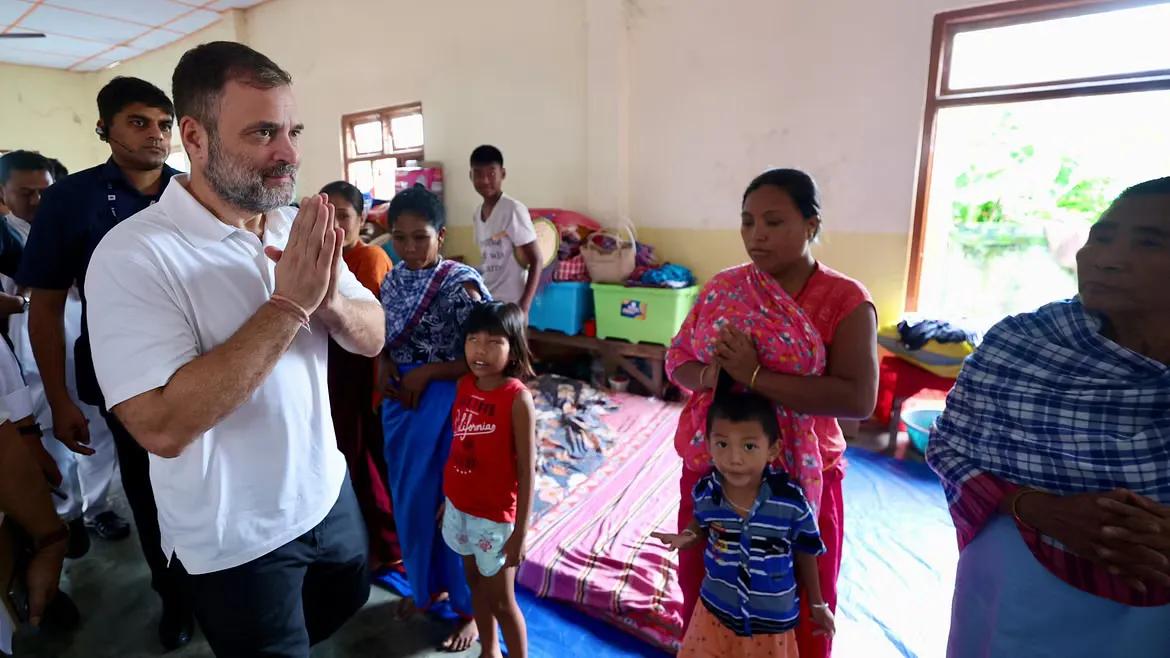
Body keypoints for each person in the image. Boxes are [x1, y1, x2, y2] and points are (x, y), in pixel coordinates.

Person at [84, 41, 384, 657]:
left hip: (327, 492)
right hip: (238, 540)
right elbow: (162, 426)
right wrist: (288, 306)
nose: (290, 154)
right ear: (194, 138)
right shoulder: (133, 255)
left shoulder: (291, 221)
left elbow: (374, 331)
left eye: (293, 130)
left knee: (345, 600)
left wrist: (328, 302)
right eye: (263, 132)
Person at [927, 177, 1170, 658]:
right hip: (1016, 587)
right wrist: (1037, 508)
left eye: (1149, 242)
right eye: (1101, 236)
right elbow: (948, 446)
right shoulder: (1023, 345)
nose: (1106, 257)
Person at [666, 168, 877, 656]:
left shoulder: (845, 300)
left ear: (810, 224)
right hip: (715, 467)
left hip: (798, 476)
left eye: (774, 221)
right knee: (702, 587)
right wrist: (712, 376)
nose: (756, 234)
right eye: (747, 221)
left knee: (801, 601)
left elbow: (857, 400)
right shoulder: (724, 289)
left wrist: (755, 375)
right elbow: (678, 359)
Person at [16, 77, 191, 650]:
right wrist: (60, 399)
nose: (157, 136)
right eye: (139, 122)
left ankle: (218, 584)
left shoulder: (192, 191)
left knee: (204, 484)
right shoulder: (73, 199)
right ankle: (174, 598)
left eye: (164, 124)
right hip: (125, 375)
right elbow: (43, 307)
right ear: (105, 129)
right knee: (147, 491)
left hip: (200, 363)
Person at [1, 151, 129, 561]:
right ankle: (64, 514)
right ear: (3, 193)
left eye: (45, 192)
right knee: (46, 437)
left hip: (86, 344)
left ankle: (97, 507)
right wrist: (25, 300)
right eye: (25, 193)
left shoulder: (75, 228)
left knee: (96, 430)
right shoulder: (4, 239)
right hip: (25, 362)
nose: (37, 201)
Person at [652, 372, 835, 657]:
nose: (734, 458)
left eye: (749, 446)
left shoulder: (789, 501)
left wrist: (817, 604)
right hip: (713, 614)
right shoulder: (708, 492)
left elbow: (806, 551)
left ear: (772, 449)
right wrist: (684, 538)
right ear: (709, 447)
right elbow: (699, 525)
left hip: (771, 626)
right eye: (722, 444)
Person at [380, 184, 490, 651]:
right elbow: (379, 334)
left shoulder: (459, 285)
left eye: (420, 237)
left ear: (441, 235)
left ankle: (473, 611)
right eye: (399, 238)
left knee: (457, 507)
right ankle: (427, 589)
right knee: (411, 502)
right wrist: (383, 360)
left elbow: (485, 357)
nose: (409, 249)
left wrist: (429, 372)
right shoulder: (393, 280)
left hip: (448, 405)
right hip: (402, 405)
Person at [441, 301, 536, 658]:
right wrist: (447, 499)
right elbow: (458, 446)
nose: (480, 350)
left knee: (502, 600)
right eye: (473, 339)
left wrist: (520, 534)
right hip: (459, 508)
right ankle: (489, 650)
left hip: (495, 519)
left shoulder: (517, 399)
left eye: (494, 341)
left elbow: (527, 471)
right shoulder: (465, 385)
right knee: (475, 586)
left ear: (513, 347)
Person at [319, 180, 400, 573]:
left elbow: (381, 326)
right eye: (327, 214)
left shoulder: (369, 259)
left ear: (363, 218)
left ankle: (387, 544)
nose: (335, 224)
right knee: (345, 457)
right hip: (328, 371)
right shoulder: (317, 257)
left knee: (366, 459)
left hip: (361, 372)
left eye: (345, 216)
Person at [469, 145, 542, 313]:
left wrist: (524, 305)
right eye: (479, 174)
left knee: (512, 340)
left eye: (491, 173)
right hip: (488, 298)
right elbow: (488, 260)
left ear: (503, 174)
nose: (485, 180)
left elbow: (536, 259)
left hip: (512, 303)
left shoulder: (513, 210)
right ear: (470, 176)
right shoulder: (477, 214)